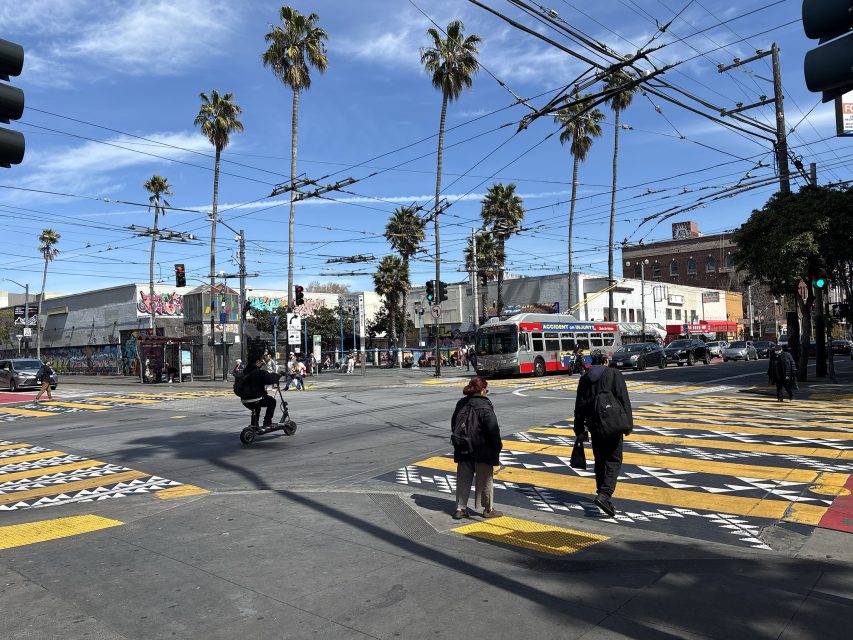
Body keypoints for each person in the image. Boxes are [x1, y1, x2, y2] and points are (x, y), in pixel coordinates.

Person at [573, 351, 633, 517]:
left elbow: (579, 406)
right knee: (614, 460)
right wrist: (628, 425)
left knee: (600, 460)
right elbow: (623, 399)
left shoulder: (584, 378)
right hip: (613, 424)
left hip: (594, 426)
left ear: (592, 361)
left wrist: (579, 430)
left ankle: (601, 493)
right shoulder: (614, 374)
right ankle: (605, 495)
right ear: (606, 361)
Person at [450, 377, 504, 520]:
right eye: (486, 389)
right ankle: (488, 509)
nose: (487, 392)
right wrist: (497, 447)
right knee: (486, 479)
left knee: (463, 478)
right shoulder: (485, 406)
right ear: (481, 390)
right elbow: (493, 430)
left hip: (463, 447)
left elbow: (453, 424)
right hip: (482, 449)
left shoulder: (461, 403)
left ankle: (460, 509)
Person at [238, 354, 281, 426]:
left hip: (244, 400)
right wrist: (277, 376)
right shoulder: (259, 372)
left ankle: (254, 425)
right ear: (257, 362)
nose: (262, 363)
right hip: (256, 398)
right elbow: (270, 380)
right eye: (261, 361)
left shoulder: (244, 373)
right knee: (272, 402)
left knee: (256, 408)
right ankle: (267, 422)